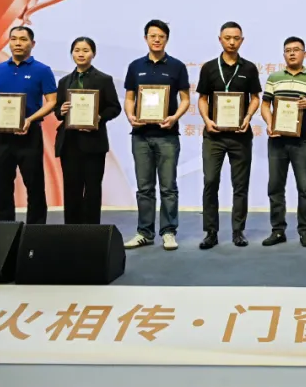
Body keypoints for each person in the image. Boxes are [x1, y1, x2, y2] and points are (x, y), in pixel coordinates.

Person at [123, 20, 191, 251]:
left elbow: (185, 99)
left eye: (161, 36)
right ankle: (144, 232)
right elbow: (130, 97)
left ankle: (169, 232)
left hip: (167, 135)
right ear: (146, 38)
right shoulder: (135, 66)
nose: (157, 40)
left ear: (166, 39)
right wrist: (130, 116)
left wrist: (174, 117)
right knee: (144, 188)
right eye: (152, 36)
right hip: (140, 136)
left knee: (168, 187)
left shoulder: (177, 66)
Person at [0, 26, 57, 224]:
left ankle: (35, 230)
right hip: (1, 136)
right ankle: (4, 229)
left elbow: (52, 101)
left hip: (29, 135)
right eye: (13, 39)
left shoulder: (42, 70)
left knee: (34, 186)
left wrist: (30, 119)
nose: (17, 43)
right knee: (2, 186)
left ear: (32, 43)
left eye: (23, 39)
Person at [196, 21, 262, 249]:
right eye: (227, 38)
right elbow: (202, 98)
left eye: (236, 38)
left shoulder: (249, 68)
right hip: (213, 136)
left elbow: (255, 98)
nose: (232, 42)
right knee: (210, 182)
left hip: (240, 136)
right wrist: (207, 120)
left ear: (242, 40)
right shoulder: (209, 68)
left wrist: (248, 117)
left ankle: (238, 231)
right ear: (220, 39)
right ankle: (211, 232)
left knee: (240, 185)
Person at [260, 36, 306, 248]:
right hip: (277, 141)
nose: (292, 53)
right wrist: (270, 123)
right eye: (288, 50)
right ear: (284, 54)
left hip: (302, 141)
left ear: (304, 54)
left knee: (305, 188)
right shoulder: (274, 78)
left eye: (296, 50)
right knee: (275, 187)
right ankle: (278, 230)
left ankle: (305, 231)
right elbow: (265, 105)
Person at [53, 37, 122, 225]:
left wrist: (99, 117)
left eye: (85, 50)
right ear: (72, 54)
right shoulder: (64, 81)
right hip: (69, 143)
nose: (81, 54)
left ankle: (92, 231)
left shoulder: (104, 80)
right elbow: (57, 111)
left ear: (93, 53)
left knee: (92, 189)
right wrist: (61, 110)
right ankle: (71, 229)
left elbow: (114, 108)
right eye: (77, 50)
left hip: (94, 143)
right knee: (71, 189)